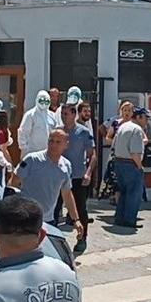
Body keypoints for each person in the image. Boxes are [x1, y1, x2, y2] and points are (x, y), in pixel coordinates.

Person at [12, 129, 85, 240]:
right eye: (51, 141)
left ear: (66, 145)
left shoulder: (66, 166)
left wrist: (76, 220)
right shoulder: (32, 159)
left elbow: (67, 194)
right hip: (26, 218)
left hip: (48, 220)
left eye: (58, 142)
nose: (53, 144)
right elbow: (14, 183)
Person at [57, 104, 95, 255]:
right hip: (59, 176)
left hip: (78, 176)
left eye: (66, 114)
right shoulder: (58, 132)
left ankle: (82, 238)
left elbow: (93, 155)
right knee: (54, 209)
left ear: (74, 115)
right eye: (62, 114)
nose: (64, 116)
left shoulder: (83, 132)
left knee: (80, 209)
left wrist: (89, 173)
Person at [111, 107, 149, 229]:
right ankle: (129, 220)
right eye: (145, 118)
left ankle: (119, 218)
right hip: (130, 164)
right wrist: (140, 166)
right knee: (134, 194)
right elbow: (134, 152)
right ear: (138, 117)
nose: (146, 121)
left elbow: (114, 144)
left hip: (119, 162)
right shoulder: (137, 130)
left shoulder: (122, 126)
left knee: (123, 193)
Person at [99, 101, 135, 204]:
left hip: (131, 156)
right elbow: (107, 138)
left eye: (129, 110)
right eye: (125, 110)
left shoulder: (135, 125)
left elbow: (144, 139)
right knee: (117, 181)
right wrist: (116, 141)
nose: (127, 112)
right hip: (116, 155)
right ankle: (117, 201)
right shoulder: (116, 123)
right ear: (121, 111)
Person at [19, 90, 58, 155]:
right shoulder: (30, 115)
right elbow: (23, 132)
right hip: (32, 152)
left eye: (46, 101)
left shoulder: (53, 116)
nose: (44, 102)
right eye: (41, 100)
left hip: (48, 153)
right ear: (37, 100)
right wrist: (25, 149)